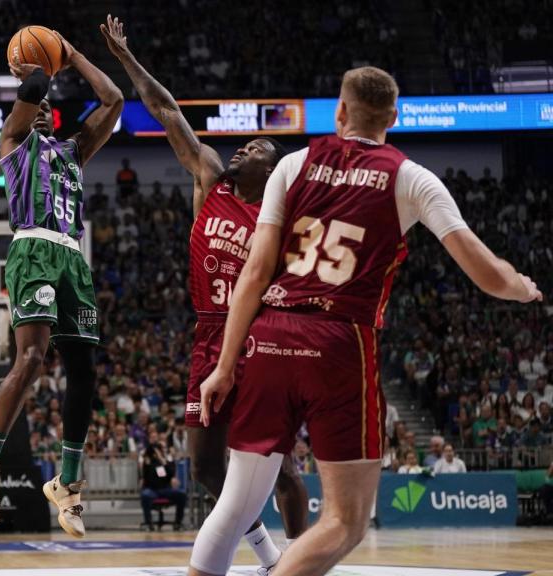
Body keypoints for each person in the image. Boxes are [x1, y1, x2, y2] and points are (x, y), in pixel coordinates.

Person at [198, 66, 541, 576]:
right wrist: (522, 286)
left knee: (234, 506)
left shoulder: (293, 165)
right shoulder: (410, 177)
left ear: (340, 112)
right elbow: (488, 274)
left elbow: (253, 273)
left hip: (268, 335)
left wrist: (224, 366)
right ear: (394, 118)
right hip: (339, 339)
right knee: (346, 520)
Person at [101, 15, 307, 571]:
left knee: (282, 470)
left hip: (260, 341)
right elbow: (168, 111)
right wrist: (126, 59)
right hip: (208, 335)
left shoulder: (281, 217)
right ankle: (267, 556)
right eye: (243, 144)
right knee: (209, 470)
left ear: (276, 168)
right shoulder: (210, 179)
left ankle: (298, 562)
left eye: (256, 147)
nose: (242, 149)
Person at [0, 26, 123, 539]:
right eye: (31, 107)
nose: (39, 109)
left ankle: (69, 484)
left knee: (84, 372)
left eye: (46, 108)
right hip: (32, 249)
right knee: (31, 360)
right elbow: (33, 83)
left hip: (72, 258)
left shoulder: (73, 152)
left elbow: (114, 98)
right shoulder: (12, 143)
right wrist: (41, 65)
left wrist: (73, 53)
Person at [140, 441, 186, 531]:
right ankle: (148, 523)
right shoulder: (147, 463)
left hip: (165, 489)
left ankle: (178, 523)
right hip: (152, 490)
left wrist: (162, 460)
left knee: (181, 495)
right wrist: (149, 461)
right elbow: (148, 476)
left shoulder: (165, 462)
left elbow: (169, 474)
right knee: (145, 495)